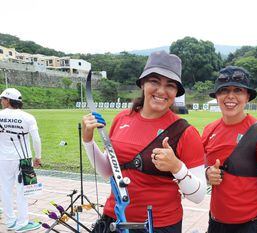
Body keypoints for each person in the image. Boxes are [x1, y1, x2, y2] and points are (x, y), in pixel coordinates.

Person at [82, 50, 206, 233]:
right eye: (154, 81)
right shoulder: (122, 118)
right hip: (114, 218)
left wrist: (177, 167)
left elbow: (199, 196)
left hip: (158, 225)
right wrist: (88, 141)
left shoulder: (185, 132)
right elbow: (109, 172)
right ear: (143, 83)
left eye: (170, 85)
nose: (162, 91)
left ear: (176, 92)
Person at [202, 66, 257, 233]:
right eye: (224, 90)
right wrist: (207, 173)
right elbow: (199, 169)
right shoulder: (209, 130)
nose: (230, 96)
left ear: (247, 96)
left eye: (238, 90)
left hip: (252, 225)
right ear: (217, 96)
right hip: (216, 223)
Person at [0, 88, 42, 232]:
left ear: (8, 100)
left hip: (3, 158)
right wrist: (38, 156)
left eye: (2, 99)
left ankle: (10, 221)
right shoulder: (28, 117)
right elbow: (36, 139)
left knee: (5, 189)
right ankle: (22, 223)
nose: (1, 102)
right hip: (23, 158)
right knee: (23, 190)